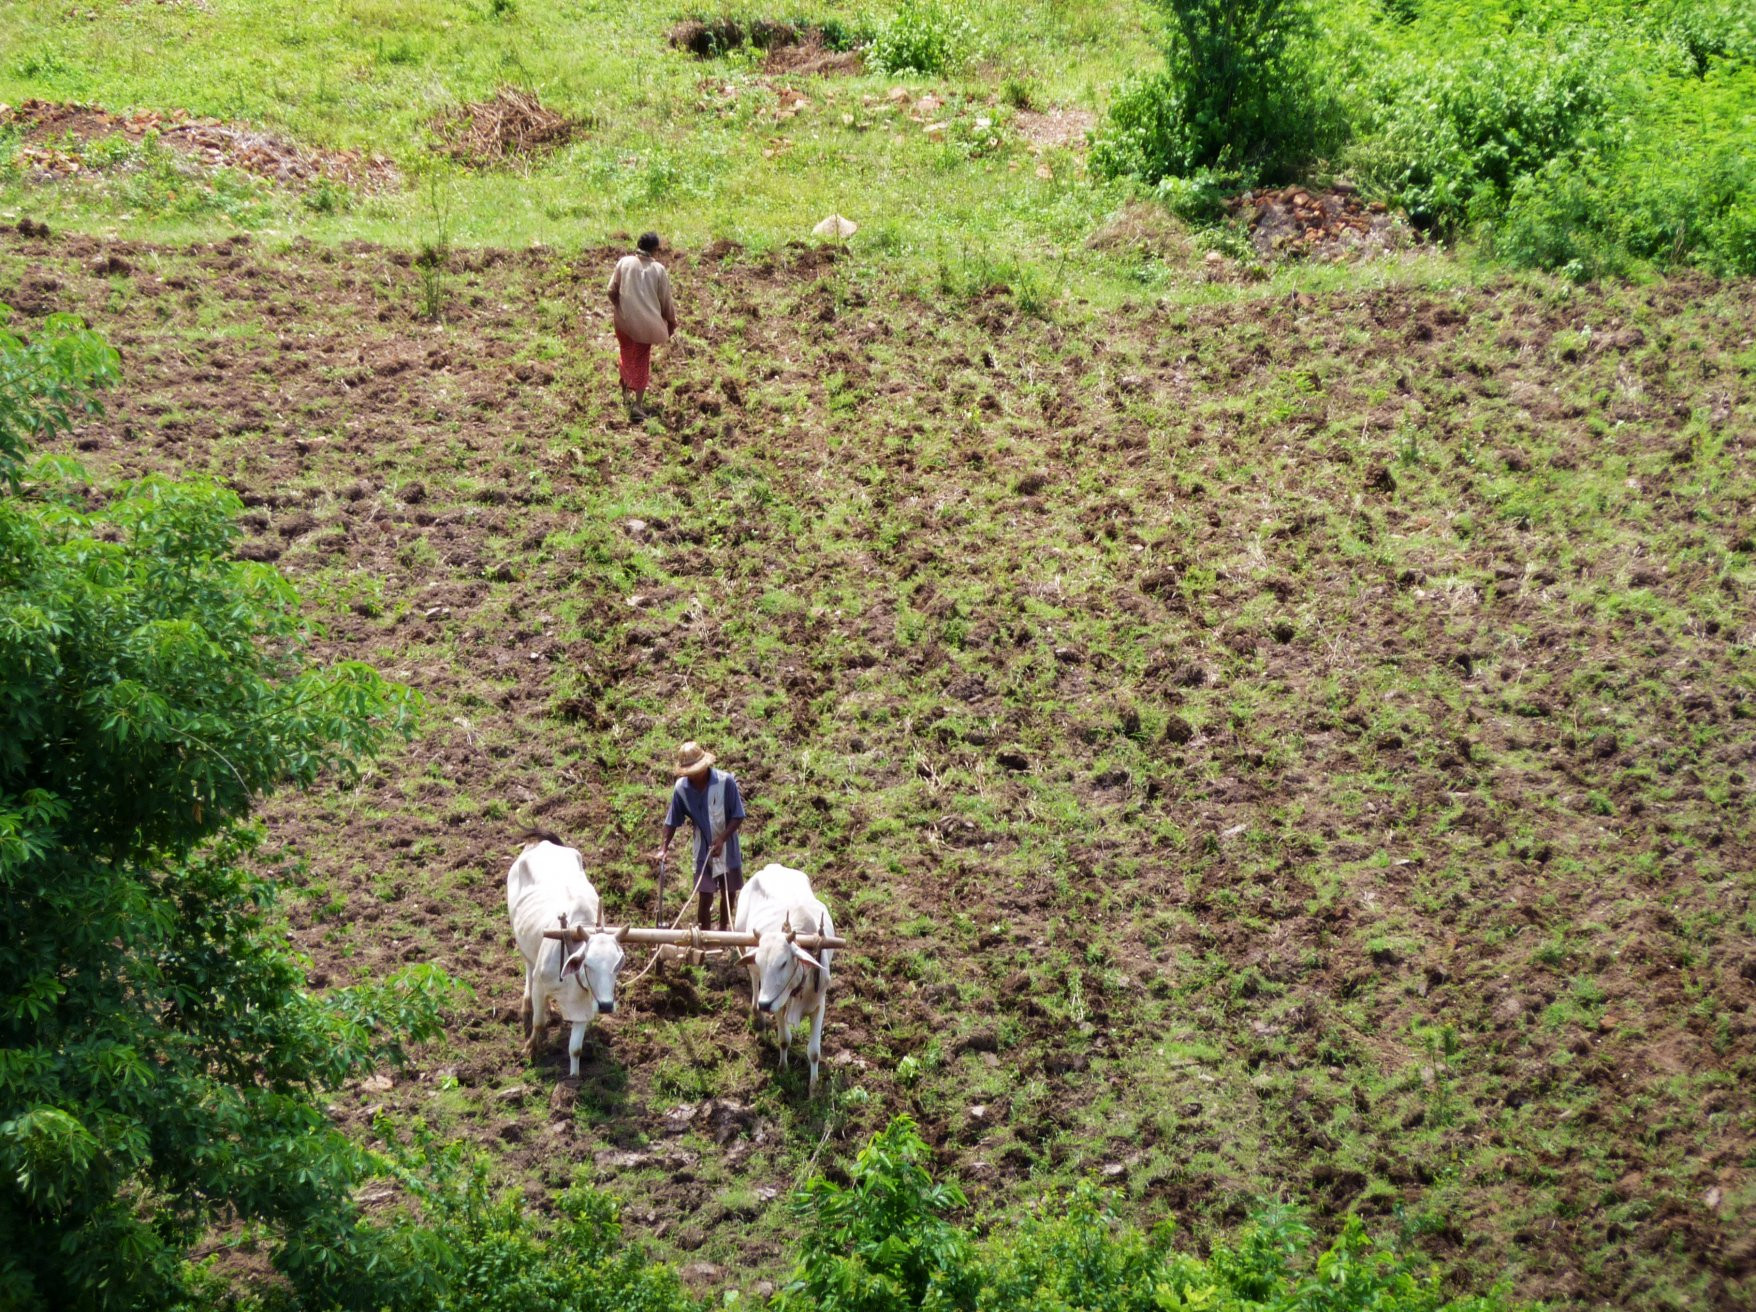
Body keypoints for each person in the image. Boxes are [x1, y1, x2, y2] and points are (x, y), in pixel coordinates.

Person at [654, 741, 745, 932]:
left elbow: (738, 815)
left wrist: (722, 839)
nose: (694, 775)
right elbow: (672, 820)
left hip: (727, 844)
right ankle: (704, 936)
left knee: (728, 893)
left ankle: (723, 930)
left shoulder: (725, 781)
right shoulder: (681, 789)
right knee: (705, 894)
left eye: (697, 770)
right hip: (703, 847)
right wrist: (664, 848)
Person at [607, 231, 677, 420]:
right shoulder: (658, 270)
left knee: (625, 353)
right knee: (640, 360)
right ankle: (637, 405)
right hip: (645, 327)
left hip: (623, 322)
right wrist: (671, 320)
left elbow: (611, 290)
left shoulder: (624, 262)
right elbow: (665, 301)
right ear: (655, 249)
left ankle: (624, 393)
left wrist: (621, 307)